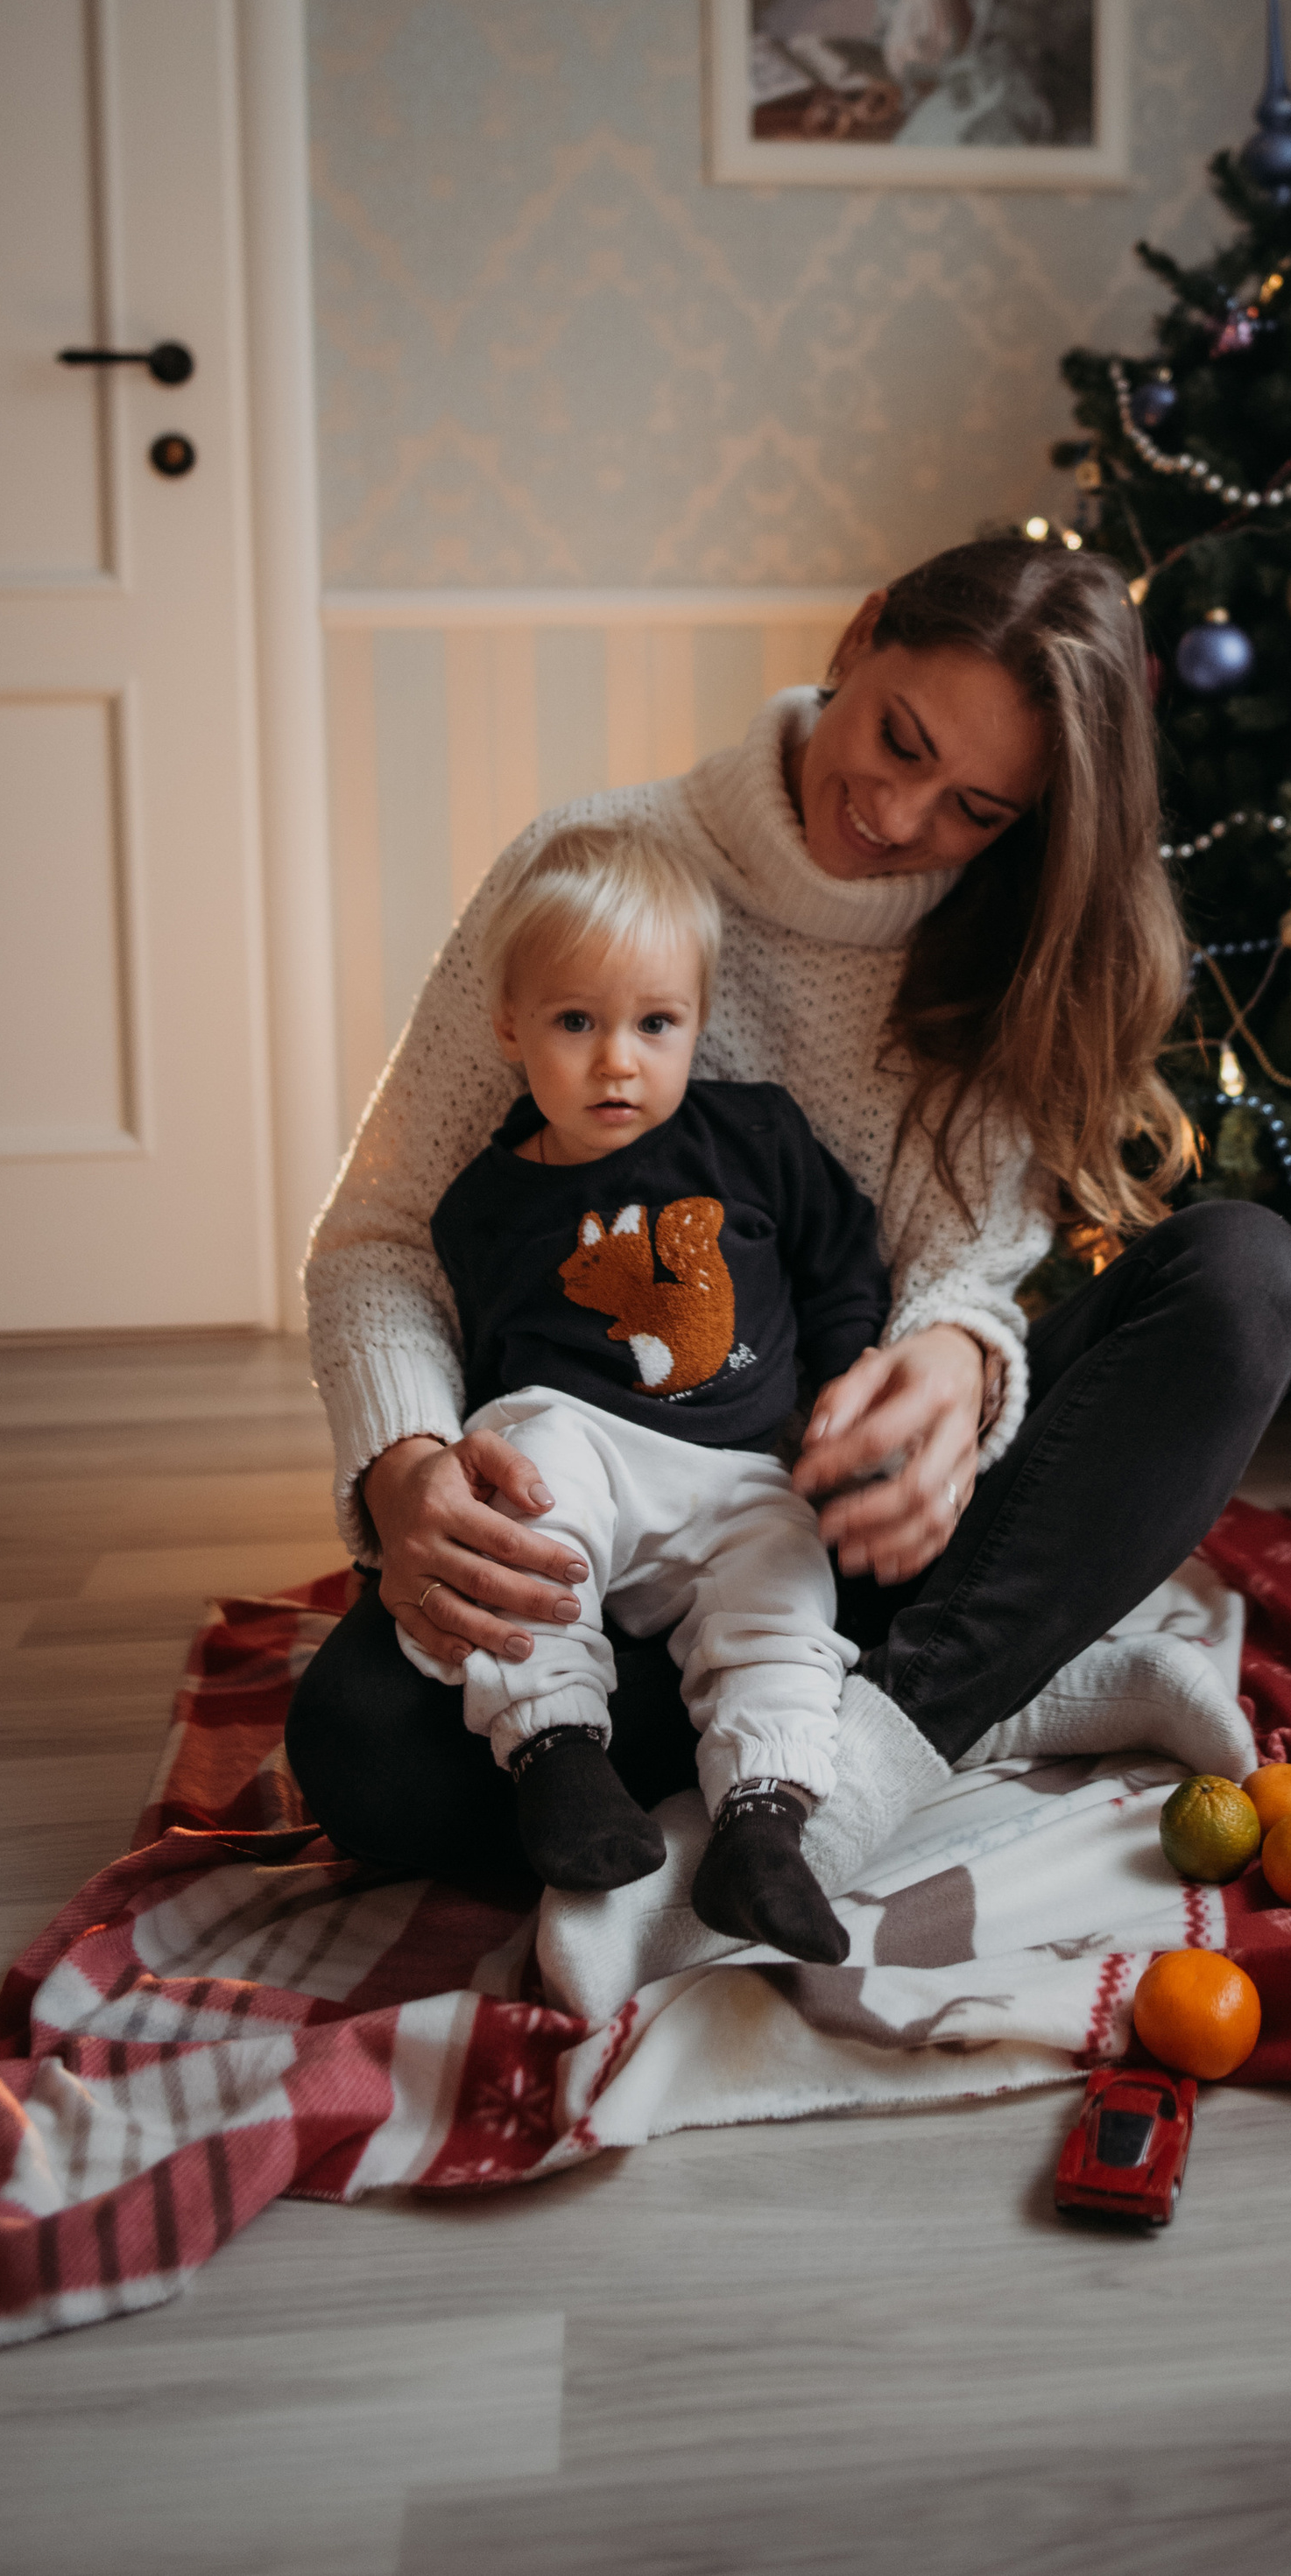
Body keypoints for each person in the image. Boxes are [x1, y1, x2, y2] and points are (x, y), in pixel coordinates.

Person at [288, 538, 1291, 1949]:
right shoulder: (594, 867)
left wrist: (959, 1359)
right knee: (362, 1750)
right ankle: (985, 1684)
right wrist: (407, 1466)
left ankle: (856, 1772)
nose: (898, 816)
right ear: (861, 633)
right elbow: (381, 1233)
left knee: (1249, 1277)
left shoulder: (1006, 946)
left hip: (833, 1516)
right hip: (592, 1526)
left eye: (974, 807)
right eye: (898, 738)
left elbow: (965, 1271)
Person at [405, 816, 887, 1965]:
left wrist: (858, 1365)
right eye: (578, 1022)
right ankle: (561, 1760)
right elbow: (474, 1357)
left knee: (785, 1597)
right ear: (510, 1026)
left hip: (739, 1464)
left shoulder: (758, 1137)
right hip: (582, 1445)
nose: (618, 1060)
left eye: (654, 1024)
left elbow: (841, 1260)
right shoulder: (483, 1202)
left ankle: (764, 1827)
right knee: (531, 1491)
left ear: (696, 1024)